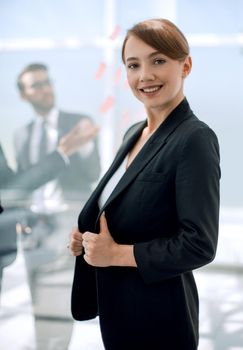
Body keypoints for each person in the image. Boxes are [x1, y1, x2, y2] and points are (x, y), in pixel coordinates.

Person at [69, 18, 220, 350]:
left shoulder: (194, 139)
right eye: (133, 65)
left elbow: (199, 244)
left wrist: (116, 254)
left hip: (159, 319)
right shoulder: (134, 133)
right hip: (120, 311)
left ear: (186, 65)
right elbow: (131, 208)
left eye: (158, 61)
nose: (144, 76)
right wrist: (88, 235)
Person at [14, 63, 101, 350]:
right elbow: (24, 183)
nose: (45, 88)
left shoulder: (78, 122)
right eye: (36, 85)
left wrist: (84, 145)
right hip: (34, 226)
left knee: (62, 300)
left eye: (47, 82)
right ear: (24, 95)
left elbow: (92, 173)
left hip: (66, 225)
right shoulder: (22, 134)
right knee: (38, 298)